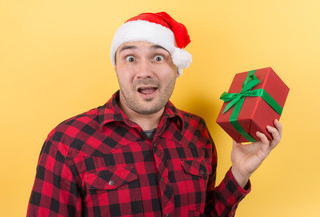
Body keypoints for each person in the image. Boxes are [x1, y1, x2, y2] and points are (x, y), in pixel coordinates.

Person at [27, 12, 283, 217]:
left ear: (176, 68)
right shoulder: (67, 141)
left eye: (158, 57)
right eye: (130, 58)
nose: (144, 71)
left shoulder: (196, 132)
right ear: (116, 66)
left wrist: (239, 173)